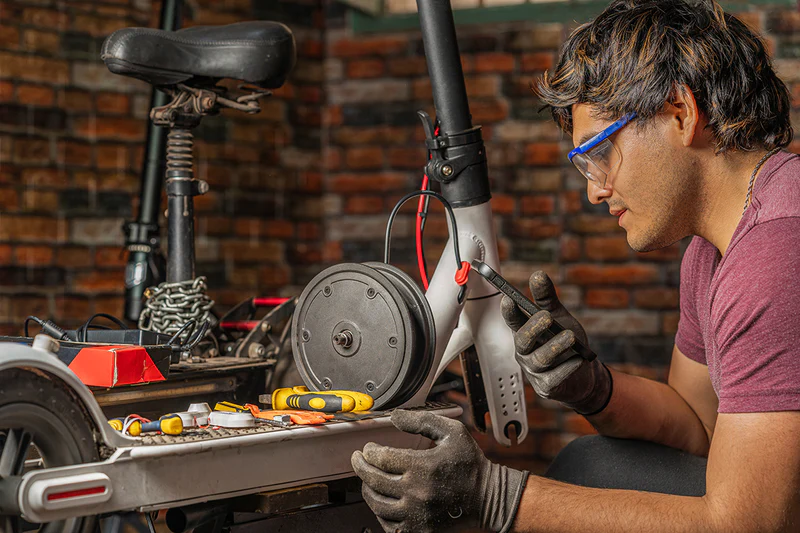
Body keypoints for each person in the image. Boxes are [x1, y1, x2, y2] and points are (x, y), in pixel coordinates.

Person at [350, 0, 800, 531]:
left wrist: (494, 496)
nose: (594, 190)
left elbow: (748, 523)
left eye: (599, 153)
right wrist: (592, 387)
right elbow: (699, 428)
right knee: (592, 462)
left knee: (586, 470)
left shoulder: (775, 253)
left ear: (680, 112)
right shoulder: (714, 249)